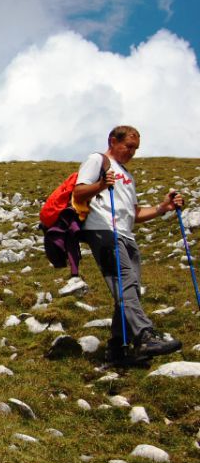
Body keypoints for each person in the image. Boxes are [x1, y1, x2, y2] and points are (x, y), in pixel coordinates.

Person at [72, 125, 184, 365]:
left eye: (135, 148)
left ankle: (117, 351)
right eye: (128, 146)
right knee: (125, 282)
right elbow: (79, 193)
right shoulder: (98, 160)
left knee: (128, 290)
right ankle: (144, 336)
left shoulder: (127, 175)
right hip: (102, 230)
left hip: (126, 235)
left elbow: (134, 213)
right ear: (113, 141)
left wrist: (163, 208)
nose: (132, 152)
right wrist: (101, 185)